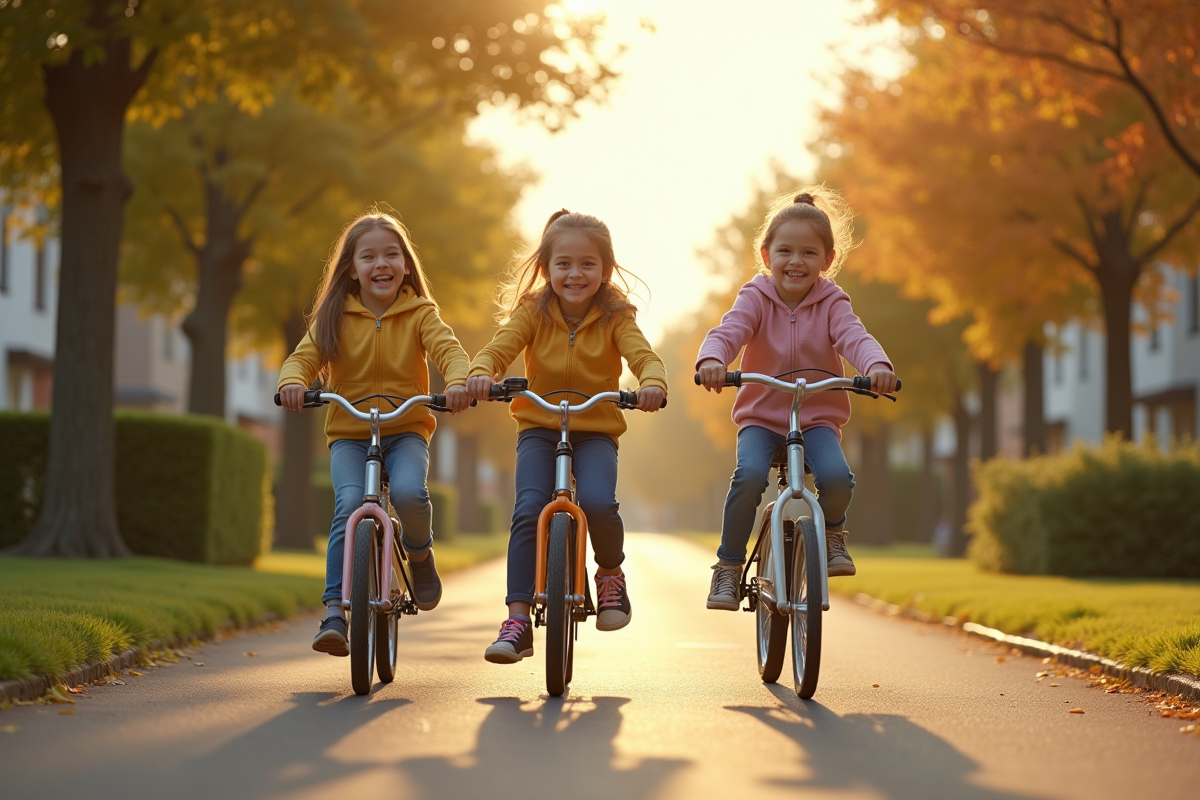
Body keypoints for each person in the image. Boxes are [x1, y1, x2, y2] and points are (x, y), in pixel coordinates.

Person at [466, 210, 667, 664]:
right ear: (546, 269)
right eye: (563, 264)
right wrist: (481, 372)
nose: (575, 274)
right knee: (527, 508)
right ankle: (517, 620)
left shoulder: (617, 317)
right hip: (539, 426)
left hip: (595, 428)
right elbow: (500, 347)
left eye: (587, 264)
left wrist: (652, 383)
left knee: (598, 501)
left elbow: (644, 357)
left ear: (605, 270)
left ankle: (610, 574)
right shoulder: (531, 314)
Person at [278, 210, 471, 656]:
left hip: (405, 429)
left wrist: (458, 381)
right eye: (368, 256)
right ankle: (333, 612)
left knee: (409, 493)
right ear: (351, 268)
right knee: (348, 505)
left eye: (391, 254)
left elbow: (450, 351)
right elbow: (302, 358)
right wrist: (292, 382)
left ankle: (419, 556)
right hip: (350, 432)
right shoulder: (333, 315)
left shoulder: (421, 313)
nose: (380, 264)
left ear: (406, 265)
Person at [695, 187, 898, 611]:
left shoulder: (832, 303)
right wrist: (713, 359)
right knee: (749, 476)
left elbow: (854, 337)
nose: (796, 261)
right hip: (761, 419)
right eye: (785, 251)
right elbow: (729, 330)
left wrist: (877, 366)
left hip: (817, 420)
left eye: (809, 253)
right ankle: (729, 567)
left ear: (827, 260)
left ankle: (834, 534)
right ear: (767, 256)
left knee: (838, 478)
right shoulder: (755, 298)